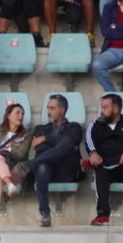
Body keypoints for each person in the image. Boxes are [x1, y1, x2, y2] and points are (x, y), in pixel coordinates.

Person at [86, 93, 123, 226]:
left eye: (105, 107)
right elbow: (89, 139)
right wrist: (93, 153)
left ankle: (95, 164)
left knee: (104, 165)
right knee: (100, 171)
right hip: (110, 168)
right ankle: (102, 216)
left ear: (116, 109)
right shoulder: (96, 124)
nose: (102, 111)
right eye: (101, 107)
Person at [30, 94, 84, 228]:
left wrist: (46, 139)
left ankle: (30, 164)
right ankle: (45, 213)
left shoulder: (74, 127)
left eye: (52, 108)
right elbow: (39, 147)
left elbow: (70, 142)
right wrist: (61, 146)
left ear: (62, 110)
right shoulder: (40, 129)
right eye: (48, 108)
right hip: (45, 172)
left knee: (67, 142)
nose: (48, 111)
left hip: (66, 171)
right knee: (43, 166)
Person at [0, 104, 31, 226]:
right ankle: (9, 184)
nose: (21, 116)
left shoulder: (26, 135)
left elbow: (21, 155)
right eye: (17, 113)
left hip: (14, 169)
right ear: (8, 115)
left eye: (22, 113)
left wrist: (3, 152)